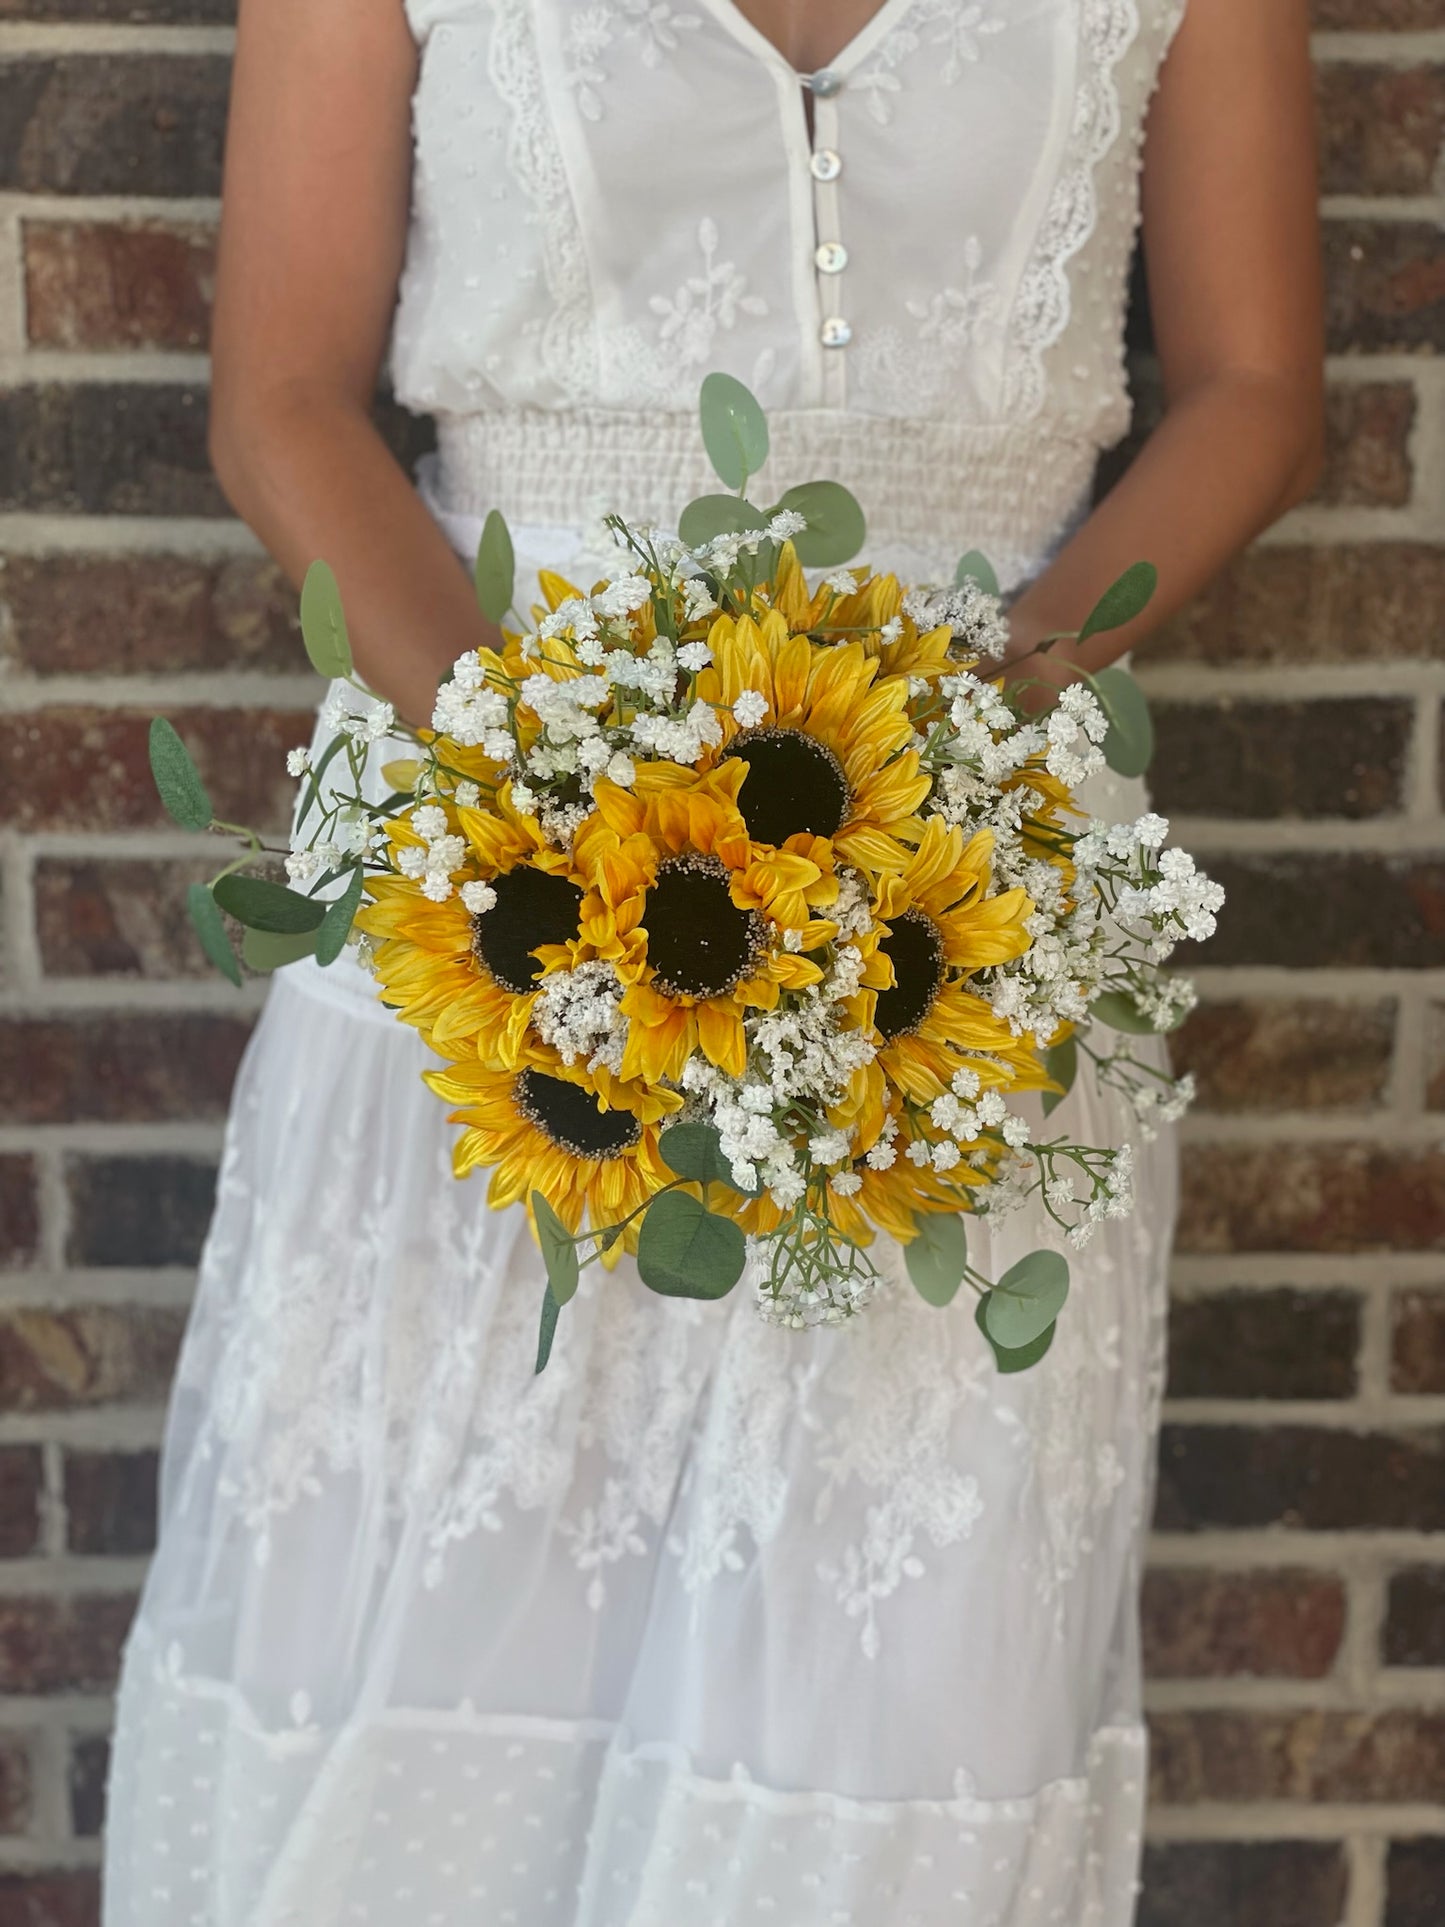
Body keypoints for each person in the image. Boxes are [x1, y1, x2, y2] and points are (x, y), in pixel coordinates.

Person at [102, 1, 1324, 1921]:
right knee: (413, 1646)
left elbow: (1256, 384)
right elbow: (281, 395)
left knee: (899, 1698)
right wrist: (553, 811)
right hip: (486, 868)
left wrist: (957, 745)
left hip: (958, 910)